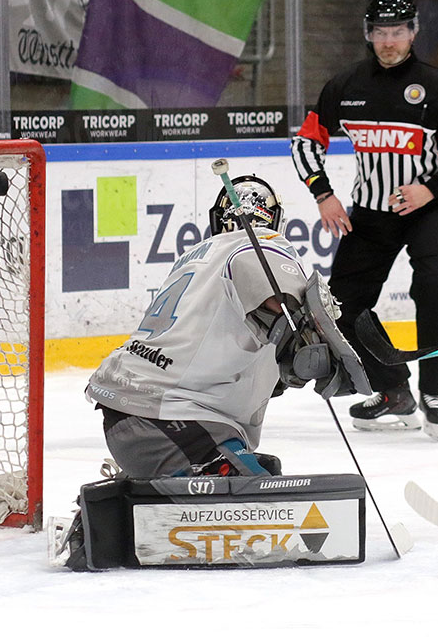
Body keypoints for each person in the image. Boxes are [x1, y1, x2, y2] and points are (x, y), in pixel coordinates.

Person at [83, 175, 370, 480]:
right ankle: (128, 507)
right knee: (259, 501)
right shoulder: (261, 248)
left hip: (130, 411)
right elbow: (279, 300)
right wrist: (318, 349)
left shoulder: (193, 258)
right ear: (275, 221)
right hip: (173, 421)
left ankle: (126, 500)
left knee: (262, 467)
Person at [290, 0, 438, 441]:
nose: (389, 41)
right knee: (340, 306)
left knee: (434, 288)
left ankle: (436, 389)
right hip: (371, 215)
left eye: (398, 32)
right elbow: (305, 143)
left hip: (429, 211)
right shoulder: (346, 85)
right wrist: (324, 194)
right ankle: (393, 388)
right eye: (380, 32)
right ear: (368, 34)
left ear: (413, 33)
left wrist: (429, 189)